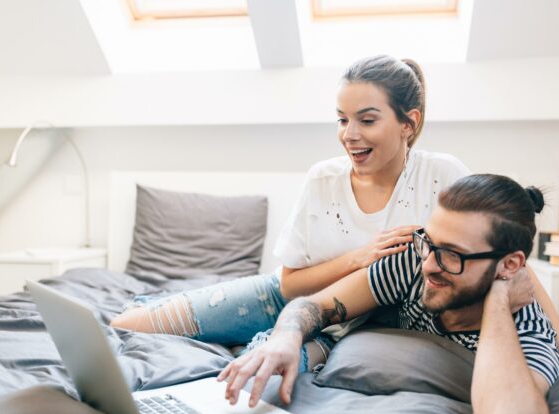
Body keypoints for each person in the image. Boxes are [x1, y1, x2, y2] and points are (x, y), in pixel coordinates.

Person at [110, 55, 557, 371]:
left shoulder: (443, 174)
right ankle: (156, 304)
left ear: (408, 123)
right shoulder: (324, 179)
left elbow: (501, 246)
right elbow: (288, 283)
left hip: (360, 325)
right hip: (294, 297)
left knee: (261, 364)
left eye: (366, 119)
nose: (349, 134)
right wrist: (359, 258)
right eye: (342, 119)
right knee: (130, 325)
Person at [219, 174, 559, 414]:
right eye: (429, 242)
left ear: (510, 264)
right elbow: (316, 305)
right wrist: (285, 338)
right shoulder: (414, 260)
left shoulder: (528, 330)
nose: (428, 265)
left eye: (452, 256)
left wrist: (499, 296)